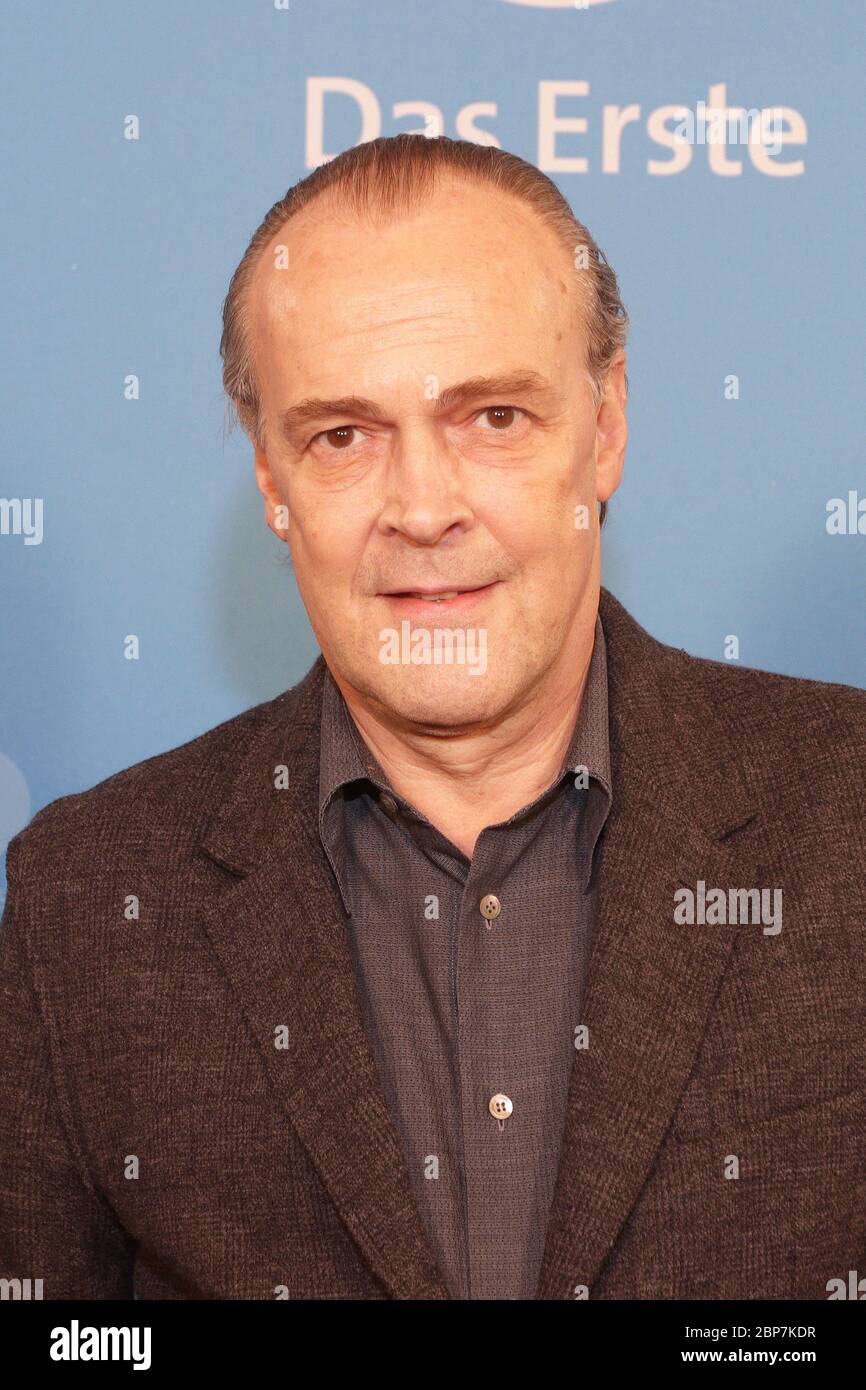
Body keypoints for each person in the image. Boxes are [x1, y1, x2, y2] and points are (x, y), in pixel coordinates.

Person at [1, 135, 863, 1301]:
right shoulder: (86, 901)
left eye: (492, 416)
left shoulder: (844, 814)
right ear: (268, 475)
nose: (421, 507)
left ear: (603, 426)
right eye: (342, 436)